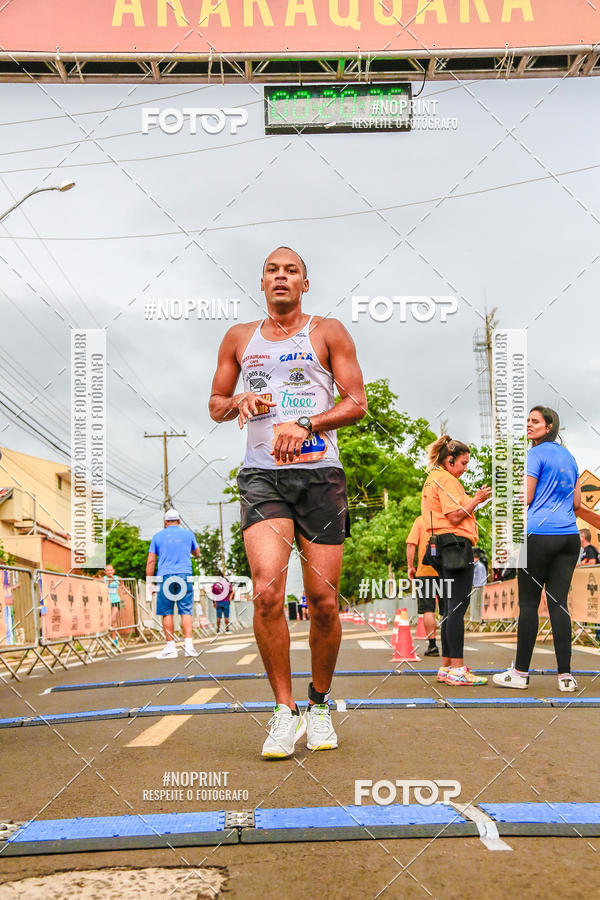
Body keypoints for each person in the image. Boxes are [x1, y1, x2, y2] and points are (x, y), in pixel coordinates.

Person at [209, 245, 367, 759]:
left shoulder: (328, 331)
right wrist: (237, 401)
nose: (281, 277)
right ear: (261, 284)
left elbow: (356, 403)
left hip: (320, 475)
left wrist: (305, 424)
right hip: (261, 476)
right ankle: (284, 711)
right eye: (272, 271)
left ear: (305, 283)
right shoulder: (238, 339)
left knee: (322, 602)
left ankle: (319, 703)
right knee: (267, 593)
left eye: (291, 271)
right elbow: (214, 405)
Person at [493, 407, 584, 692]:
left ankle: (519, 672)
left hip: (538, 535)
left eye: (535, 422)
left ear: (549, 426)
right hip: (569, 536)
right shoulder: (569, 457)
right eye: (528, 421)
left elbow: (528, 498)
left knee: (530, 604)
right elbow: (578, 504)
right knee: (558, 603)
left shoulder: (534, 454)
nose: (529, 425)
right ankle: (566, 677)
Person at [421, 435, 491, 686]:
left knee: (451, 608)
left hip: (439, 545)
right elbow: (453, 515)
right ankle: (458, 669)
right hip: (455, 545)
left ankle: (447, 666)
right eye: (463, 463)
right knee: (456, 609)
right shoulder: (446, 480)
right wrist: (477, 500)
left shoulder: (432, 479)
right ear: (449, 461)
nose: (465, 468)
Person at [146, 508, 201, 659]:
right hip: (184, 574)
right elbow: (197, 553)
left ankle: (171, 648)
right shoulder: (188, 534)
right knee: (186, 610)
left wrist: (149, 582)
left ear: (165, 522)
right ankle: (189, 647)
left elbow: (151, 560)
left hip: (165, 576)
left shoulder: (157, 536)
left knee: (167, 611)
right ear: (179, 521)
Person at [406, 514, 440, 656]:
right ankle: (452, 648)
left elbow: (411, 545)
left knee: (428, 609)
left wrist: (410, 566)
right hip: (446, 570)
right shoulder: (447, 519)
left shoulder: (421, 520)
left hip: (425, 570)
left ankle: (432, 646)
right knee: (449, 609)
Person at [103, 564, 122, 646]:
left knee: (113, 619)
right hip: (106, 602)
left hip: (115, 601)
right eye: (107, 570)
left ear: (113, 571)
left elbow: (122, 581)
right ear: (105, 572)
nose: (109, 572)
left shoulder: (117, 578)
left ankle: (114, 639)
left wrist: (123, 587)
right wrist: (110, 580)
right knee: (107, 620)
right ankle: (110, 636)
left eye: (111, 570)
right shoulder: (104, 579)